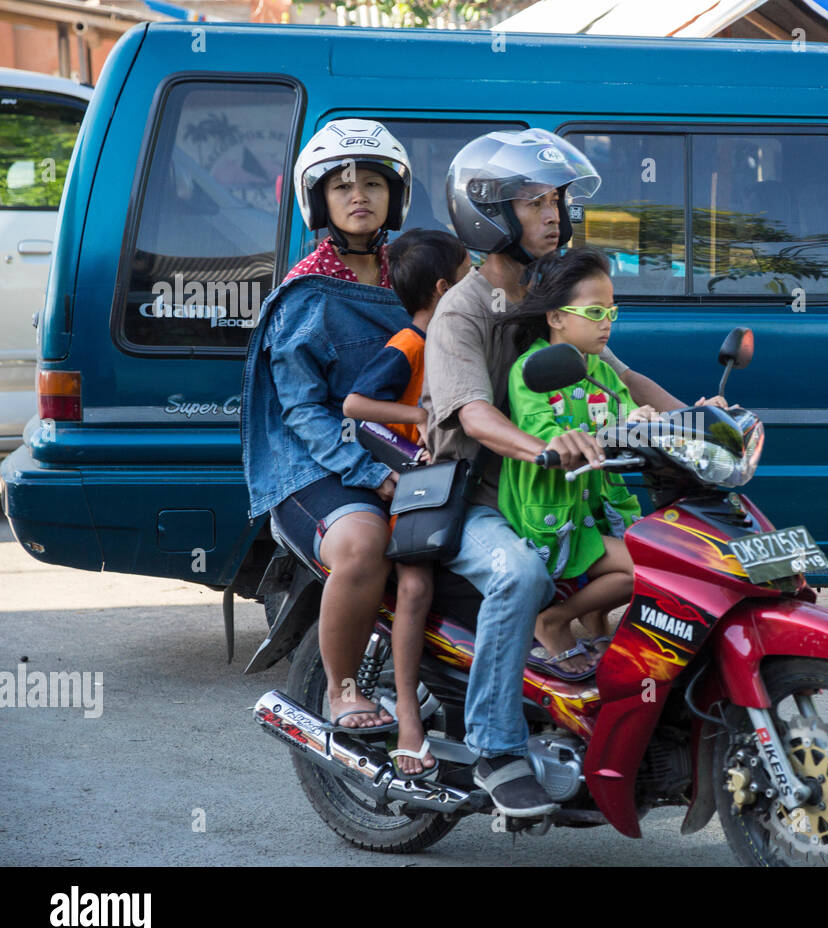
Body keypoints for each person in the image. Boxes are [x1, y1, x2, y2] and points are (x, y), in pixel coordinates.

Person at [423, 128, 723, 817]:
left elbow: (623, 377)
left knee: (663, 562)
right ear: (487, 210)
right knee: (520, 573)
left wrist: (699, 420)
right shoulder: (460, 313)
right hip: (474, 498)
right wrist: (544, 448)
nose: (553, 213)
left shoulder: (546, 296)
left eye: (556, 199)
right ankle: (496, 748)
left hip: (555, 498)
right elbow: (471, 414)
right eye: (533, 200)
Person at [242, 119, 413, 738]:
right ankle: (342, 690)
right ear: (319, 202)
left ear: (397, 195)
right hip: (315, 467)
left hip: (406, 457)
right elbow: (304, 413)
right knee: (363, 547)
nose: (359, 195)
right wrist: (371, 471)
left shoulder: (416, 279)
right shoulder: (307, 294)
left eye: (373, 182)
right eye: (342, 187)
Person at [340, 228, 471, 778]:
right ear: (443, 290)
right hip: (419, 485)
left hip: (458, 481)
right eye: (470, 274)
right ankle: (411, 719)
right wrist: (420, 417)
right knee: (415, 584)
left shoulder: (460, 340)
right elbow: (355, 402)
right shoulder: (411, 345)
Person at [500, 248, 651, 681]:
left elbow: (625, 416)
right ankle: (551, 621)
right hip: (553, 514)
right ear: (556, 317)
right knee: (644, 570)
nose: (606, 321)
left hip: (597, 510)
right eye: (595, 311)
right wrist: (560, 439)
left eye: (612, 311)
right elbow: (538, 427)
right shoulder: (531, 370)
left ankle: (595, 624)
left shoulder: (601, 370)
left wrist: (651, 421)